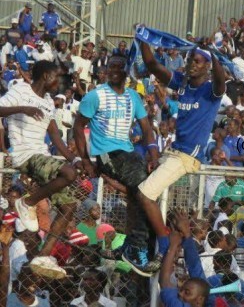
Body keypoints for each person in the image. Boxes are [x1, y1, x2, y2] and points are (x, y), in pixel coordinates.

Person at [137, 39, 226, 271]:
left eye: (197, 61)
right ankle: (138, 245)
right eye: (190, 59)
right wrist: (142, 38)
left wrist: (213, 52)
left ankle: (164, 247)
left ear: (207, 66)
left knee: (145, 195)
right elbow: (152, 65)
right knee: (138, 192)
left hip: (187, 157)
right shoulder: (183, 83)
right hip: (172, 152)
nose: (191, 64)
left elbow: (221, 79)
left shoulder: (211, 91)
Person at [73, 55, 159, 276]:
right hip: (107, 154)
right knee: (144, 193)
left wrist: (152, 153)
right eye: (110, 66)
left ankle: (131, 247)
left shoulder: (133, 97)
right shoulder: (96, 96)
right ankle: (137, 250)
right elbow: (78, 126)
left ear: (127, 72)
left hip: (128, 153)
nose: (114, 70)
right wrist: (85, 159)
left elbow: (146, 127)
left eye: (120, 67)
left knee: (143, 195)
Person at [0, 60, 82, 259]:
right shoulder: (21, 90)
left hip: (42, 156)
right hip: (25, 155)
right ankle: (27, 202)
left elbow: (56, 137)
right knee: (68, 174)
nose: (58, 83)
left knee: (69, 206)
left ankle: (43, 257)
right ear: (46, 76)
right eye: (56, 77)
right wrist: (22, 109)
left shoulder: (47, 101)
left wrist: (75, 159)